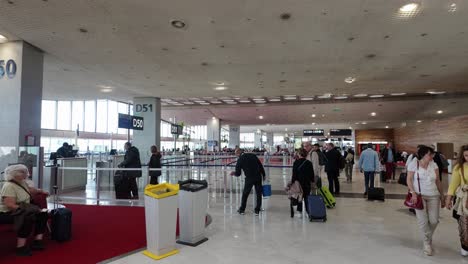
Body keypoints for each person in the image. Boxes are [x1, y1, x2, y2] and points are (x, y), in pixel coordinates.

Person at [0, 164, 49, 256]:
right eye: (23, 172)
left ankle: (37, 241)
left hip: (20, 209)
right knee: (27, 217)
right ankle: (20, 247)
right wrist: (28, 209)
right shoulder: (9, 186)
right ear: (15, 174)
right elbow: (10, 205)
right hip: (7, 212)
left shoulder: (22, 182)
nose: (26, 174)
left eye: (25, 171)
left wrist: (41, 191)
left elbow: (31, 190)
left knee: (43, 214)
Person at [407, 145, 445, 256]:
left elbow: (438, 181)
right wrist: (413, 193)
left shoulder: (434, 165)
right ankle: (427, 243)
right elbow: (409, 179)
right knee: (423, 221)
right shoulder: (414, 164)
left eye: (432, 154)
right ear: (423, 155)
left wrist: (442, 196)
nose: (432, 156)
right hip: (419, 196)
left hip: (434, 195)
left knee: (434, 221)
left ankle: (427, 238)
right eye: (430, 154)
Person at [446, 145, 468, 256]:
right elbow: (452, 186)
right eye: (466, 155)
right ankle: (465, 245)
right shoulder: (459, 168)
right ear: (463, 156)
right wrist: (448, 199)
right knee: (464, 225)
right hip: (463, 201)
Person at [231, 148, 266, 215]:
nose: (236, 156)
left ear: (238, 153)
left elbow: (238, 173)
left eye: (236, 154)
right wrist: (263, 175)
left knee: (245, 194)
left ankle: (242, 210)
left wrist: (234, 173)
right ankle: (257, 210)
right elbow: (260, 165)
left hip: (249, 178)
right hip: (258, 177)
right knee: (259, 193)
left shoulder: (240, 160)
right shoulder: (253, 155)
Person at [291, 148, 315, 216]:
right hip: (307, 183)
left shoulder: (296, 162)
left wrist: (292, 182)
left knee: (299, 197)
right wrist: (312, 181)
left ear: (299, 154)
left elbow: (294, 174)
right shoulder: (309, 163)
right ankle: (308, 211)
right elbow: (311, 174)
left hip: (298, 183)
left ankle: (300, 212)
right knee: (307, 197)